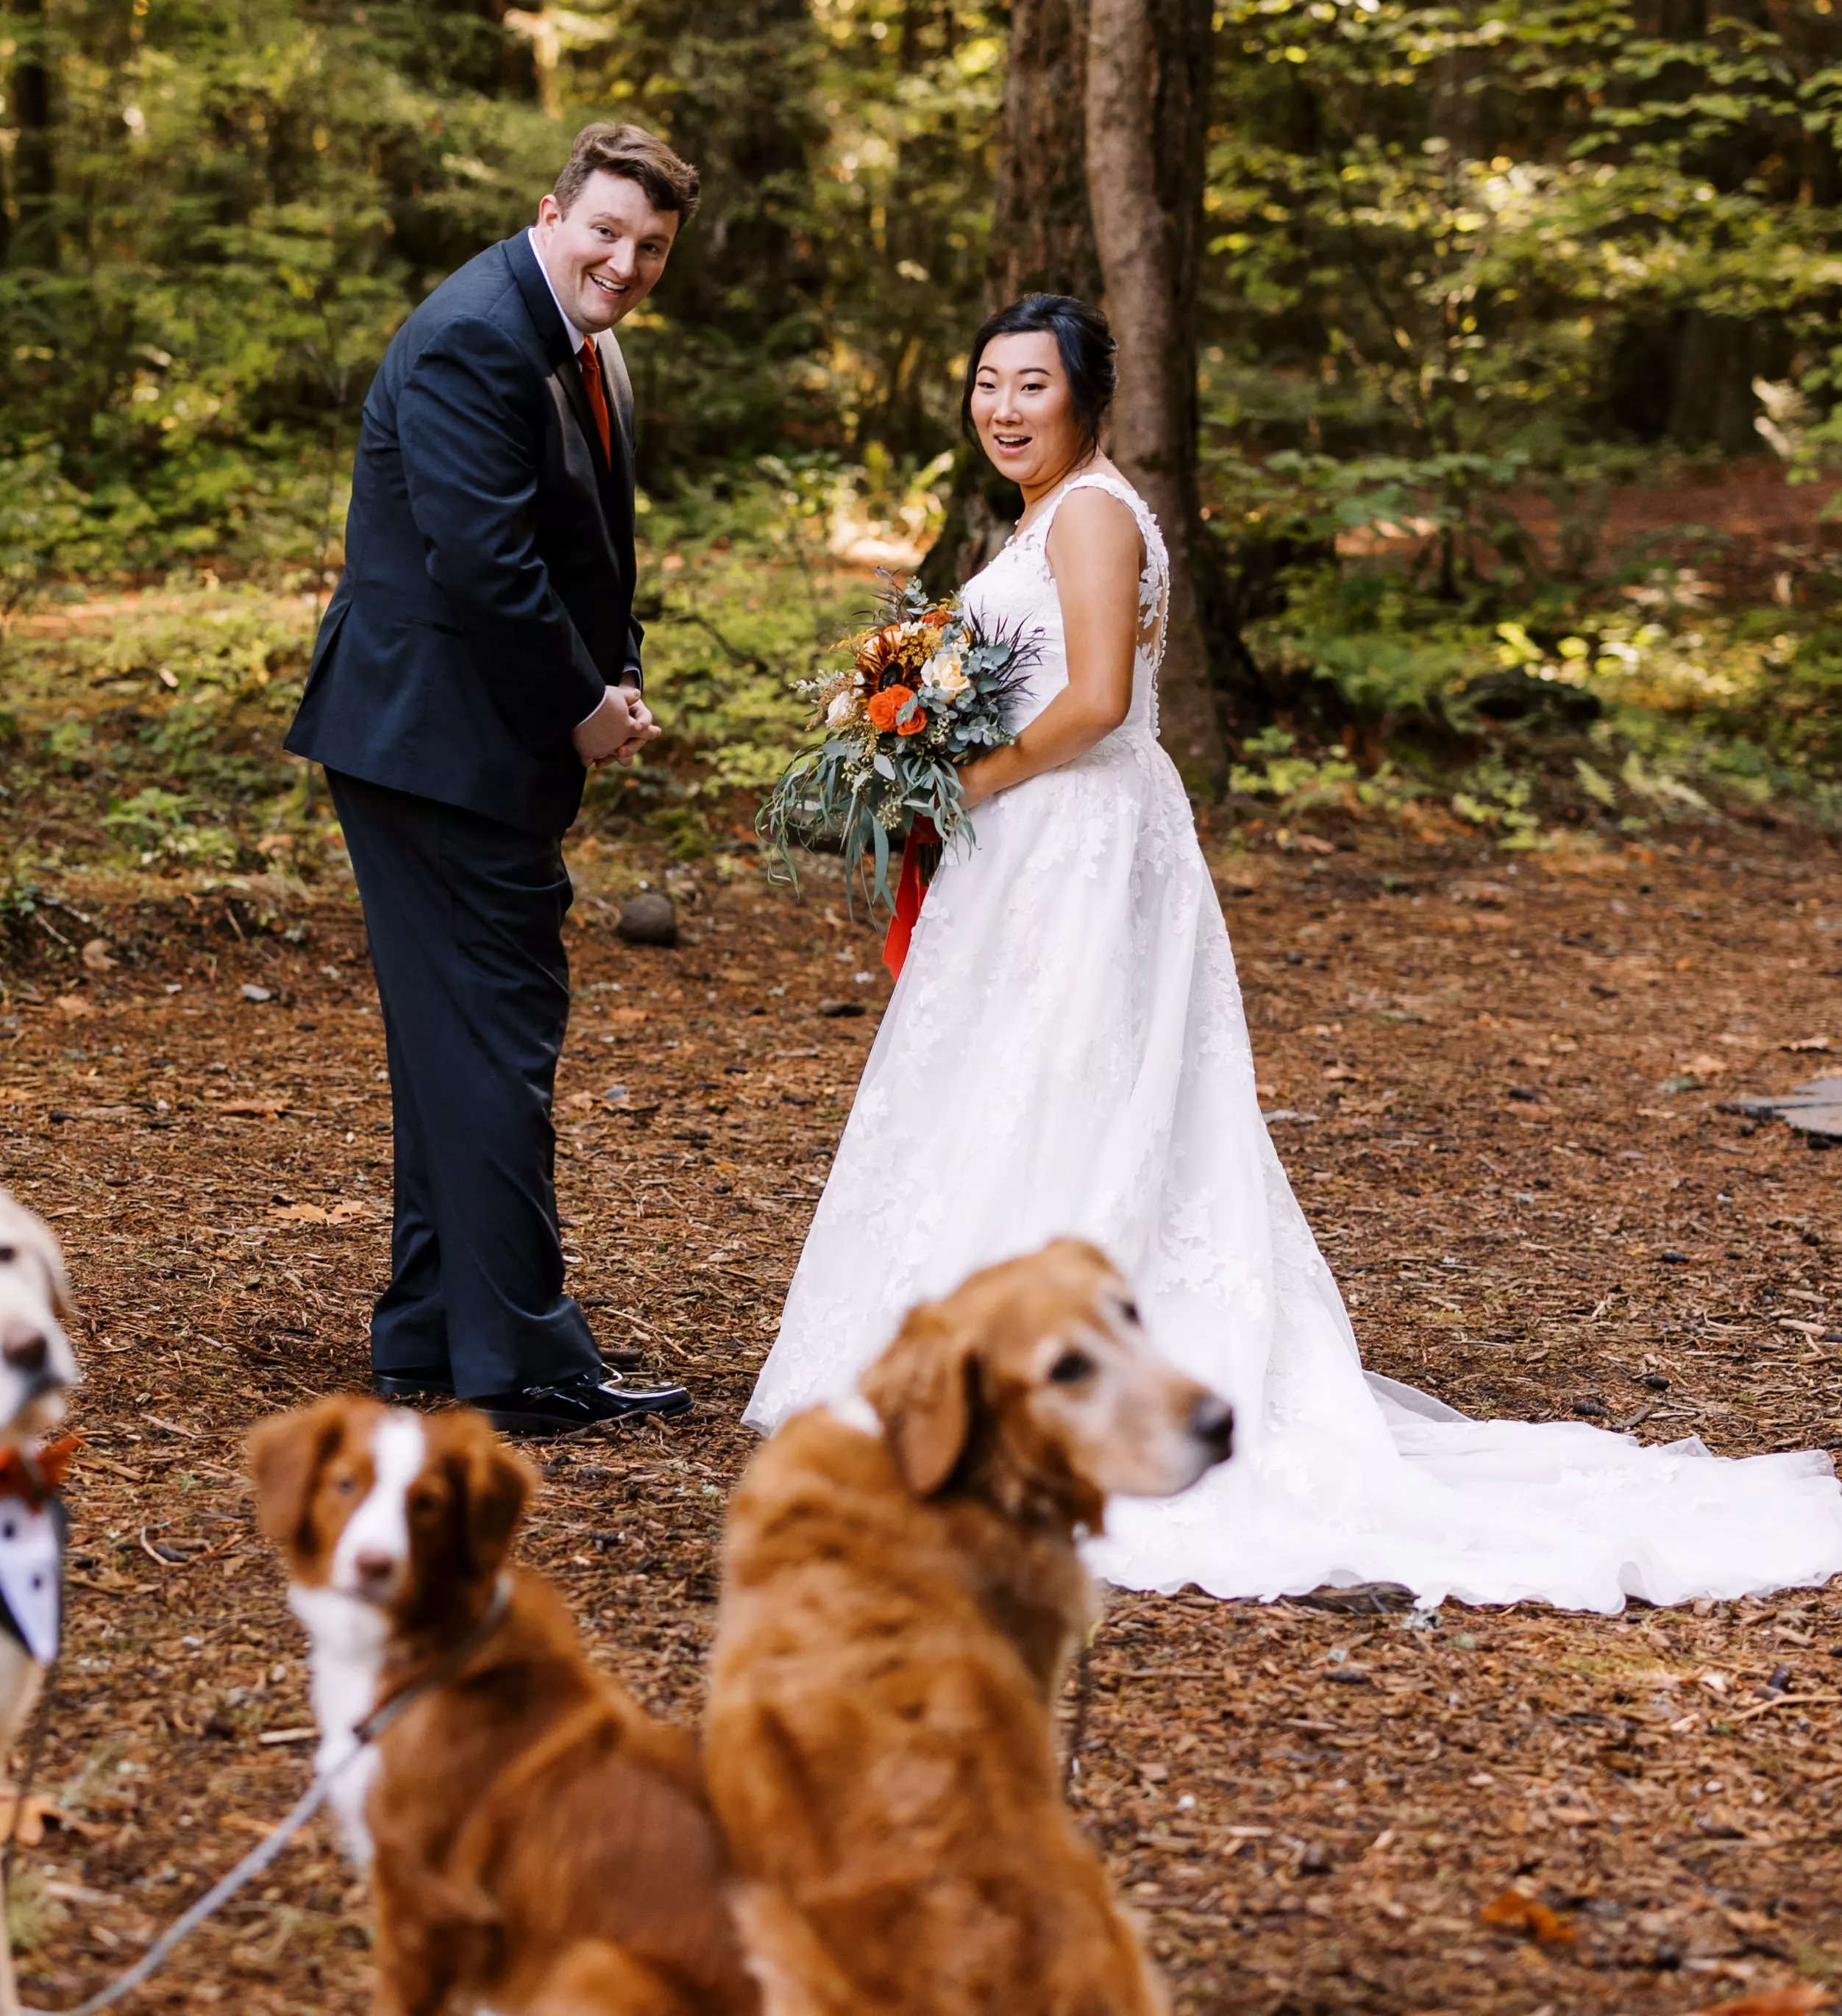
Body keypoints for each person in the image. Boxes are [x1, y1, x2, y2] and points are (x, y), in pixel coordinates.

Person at [746, 293, 1842, 1609]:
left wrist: (960, 780)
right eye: (988, 383)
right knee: (1017, 1083)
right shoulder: (1044, 516)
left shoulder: (1092, 512)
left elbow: (1095, 702)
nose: (1003, 408)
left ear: (1086, 396)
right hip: (1044, 841)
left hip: (1079, 838)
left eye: (1031, 385)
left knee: (1069, 1086)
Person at [286, 124, 700, 1438]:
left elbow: (594, 554)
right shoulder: (476, 332)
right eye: (607, 233)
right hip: (432, 740)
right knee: (501, 1039)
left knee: (455, 1042)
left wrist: (614, 669)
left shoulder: (587, 344)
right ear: (552, 211)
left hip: (465, 735)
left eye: (651, 248)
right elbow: (485, 564)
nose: (625, 263)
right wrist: (581, 709)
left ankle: (427, 1330)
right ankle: (524, 1363)